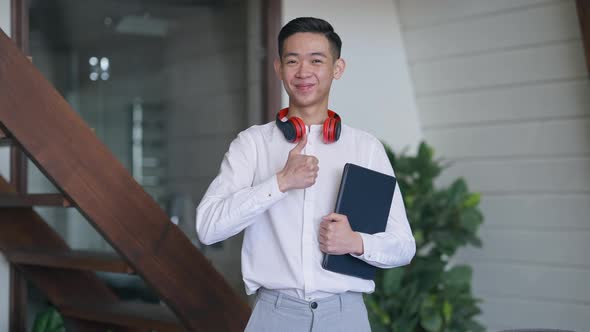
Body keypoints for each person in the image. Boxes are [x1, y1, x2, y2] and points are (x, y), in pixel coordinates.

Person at [196, 17, 415, 332]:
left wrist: (356, 242)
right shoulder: (252, 144)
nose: (303, 72)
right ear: (278, 68)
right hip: (273, 315)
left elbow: (403, 246)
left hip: (346, 316)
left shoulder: (365, 148)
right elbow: (207, 227)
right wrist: (279, 183)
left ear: (337, 69)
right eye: (292, 60)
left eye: (316, 60)